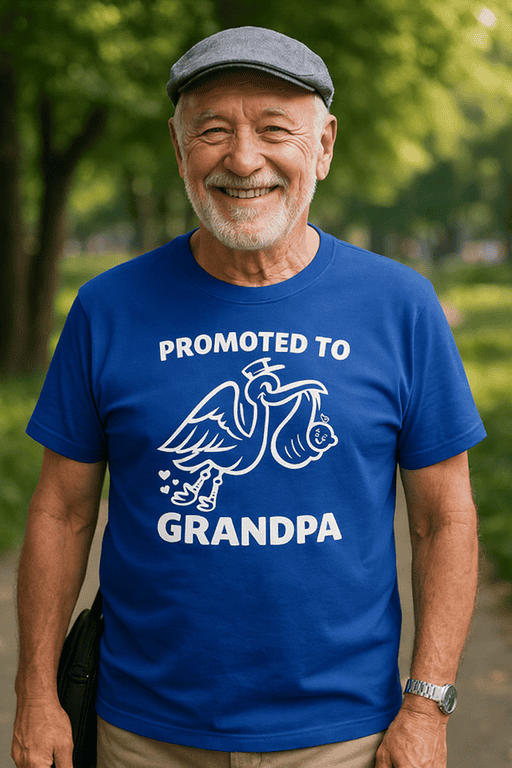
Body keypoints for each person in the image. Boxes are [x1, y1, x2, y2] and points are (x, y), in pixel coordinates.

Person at [12, 26, 486, 768]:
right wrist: (37, 693)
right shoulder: (108, 308)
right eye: (212, 131)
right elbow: (60, 510)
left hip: (343, 735)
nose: (242, 158)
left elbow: (444, 516)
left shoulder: (400, 306)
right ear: (179, 151)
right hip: (142, 732)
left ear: (324, 147)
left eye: (274, 130)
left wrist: (428, 704)